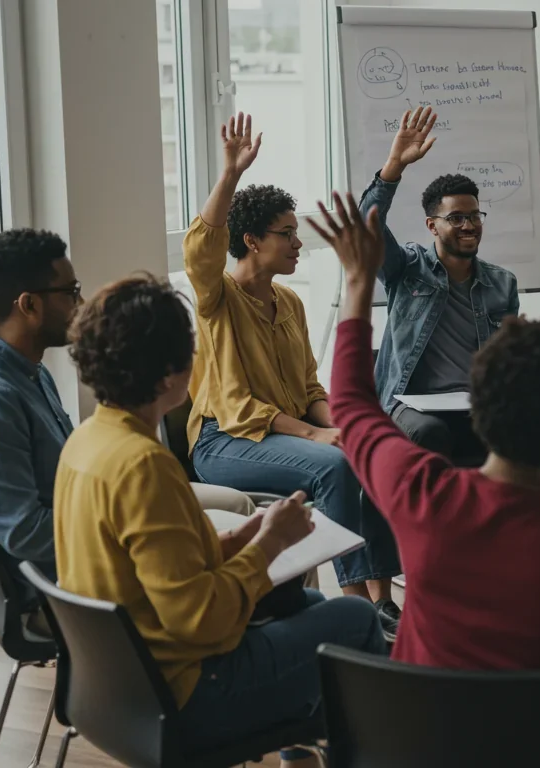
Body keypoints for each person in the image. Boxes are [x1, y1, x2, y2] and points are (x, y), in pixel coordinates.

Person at [312, 190, 540, 768]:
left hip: (423, 745)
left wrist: (356, 285)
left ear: (480, 406)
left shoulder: (421, 494)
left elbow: (352, 405)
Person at [54, 275, 387, 768]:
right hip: (185, 696)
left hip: (112, 690)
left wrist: (246, 537)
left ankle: (303, 754)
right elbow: (201, 622)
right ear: (171, 373)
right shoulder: (145, 466)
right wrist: (269, 546)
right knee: (357, 619)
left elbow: (154, 570)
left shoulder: (85, 442)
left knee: (309, 601)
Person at [182, 113, 401, 638]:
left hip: (282, 434)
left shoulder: (290, 302)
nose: (298, 244)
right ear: (252, 240)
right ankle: (358, 607)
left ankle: (381, 597)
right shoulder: (218, 298)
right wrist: (230, 175)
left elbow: (308, 390)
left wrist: (341, 425)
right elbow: (199, 251)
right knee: (334, 467)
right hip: (224, 441)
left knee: (365, 450)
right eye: (287, 235)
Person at [0, 229, 253, 594]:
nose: (83, 301)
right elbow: (25, 534)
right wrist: (125, 531)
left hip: (91, 508)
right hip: (66, 576)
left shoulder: (29, 370)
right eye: (70, 293)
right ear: (29, 306)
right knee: (235, 538)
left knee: (237, 507)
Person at [358, 106, 519, 466]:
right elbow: (366, 227)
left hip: (475, 403)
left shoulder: (502, 283)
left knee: (518, 431)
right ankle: (434, 522)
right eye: (456, 218)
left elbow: (507, 360)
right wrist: (393, 167)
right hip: (409, 403)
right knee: (432, 433)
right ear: (432, 226)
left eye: (474, 216)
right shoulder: (406, 269)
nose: (469, 225)